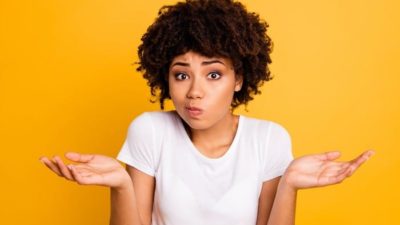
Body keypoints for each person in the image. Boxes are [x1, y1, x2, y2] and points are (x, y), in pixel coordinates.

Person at [39, 0, 375, 225]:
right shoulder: (150, 131)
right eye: (181, 75)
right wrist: (121, 185)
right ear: (165, 77)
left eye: (213, 74)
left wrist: (289, 186)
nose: (194, 91)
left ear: (239, 78)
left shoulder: (269, 138)